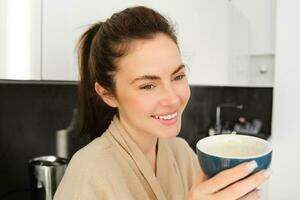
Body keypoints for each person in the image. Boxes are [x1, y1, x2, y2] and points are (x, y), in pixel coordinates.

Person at [54, 6, 270, 200]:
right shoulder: (87, 173)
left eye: (177, 77)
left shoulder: (182, 153)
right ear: (108, 94)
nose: (173, 99)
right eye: (148, 86)